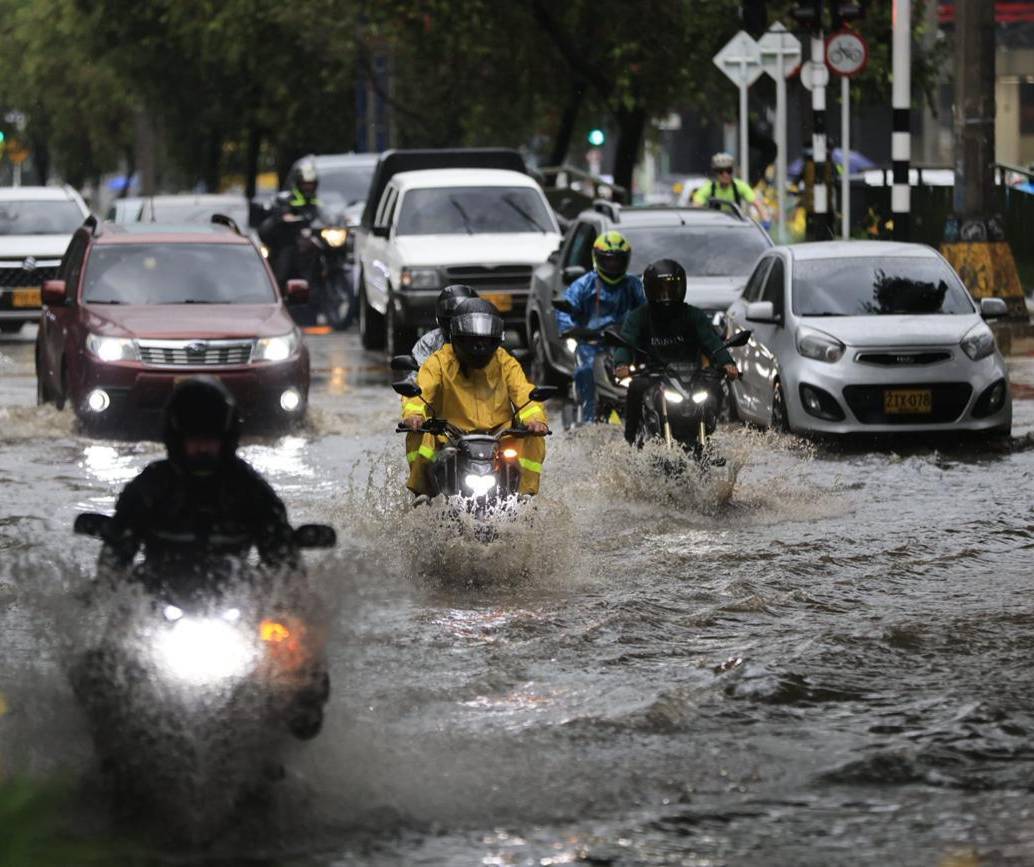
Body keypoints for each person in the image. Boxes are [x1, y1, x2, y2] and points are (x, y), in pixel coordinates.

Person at [98, 377, 299, 590]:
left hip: (235, 596)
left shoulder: (249, 488)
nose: (203, 449)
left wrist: (282, 589)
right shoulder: (149, 487)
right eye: (194, 441)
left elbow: (281, 556)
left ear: (226, 439)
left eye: (210, 440)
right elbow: (114, 560)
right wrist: (113, 590)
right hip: (156, 597)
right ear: (177, 440)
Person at [402, 299, 548, 497]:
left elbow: (523, 392)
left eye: (485, 341)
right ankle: (422, 493)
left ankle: (526, 496)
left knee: (535, 439)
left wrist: (535, 420)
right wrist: (414, 415)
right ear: (459, 339)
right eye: (472, 341)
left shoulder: (505, 361)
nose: (479, 347)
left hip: (500, 438)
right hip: (451, 438)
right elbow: (421, 390)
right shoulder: (439, 361)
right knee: (421, 438)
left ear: (495, 340)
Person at [614, 259, 740, 446]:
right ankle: (630, 438)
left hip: (692, 377)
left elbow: (712, 341)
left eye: (671, 288)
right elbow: (626, 342)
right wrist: (622, 364)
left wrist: (726, 363)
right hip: (656, 376)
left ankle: (710, 429)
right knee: (635, 387)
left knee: (715, 387)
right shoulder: (639, 316)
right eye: (660, 289)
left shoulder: (694, 315)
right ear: (649, 289)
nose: (666, 295)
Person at [555, 231, 645, 423]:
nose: (613, 265)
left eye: (618, 260)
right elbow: (565, 308)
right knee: (585, 371)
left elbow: (646, 311)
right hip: (591, 344)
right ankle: (588, 419)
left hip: (624, 344)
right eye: (608, 260)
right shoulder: (584, 284)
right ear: (597, 258)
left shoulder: (633, 285)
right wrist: (571, 328)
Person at [258, 159, 323, 290]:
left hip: (311, 239)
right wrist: (287, 216)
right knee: (285, 261)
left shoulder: (319, 201)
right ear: (298, 184)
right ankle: (279, 288)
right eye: (305, 184)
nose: (308, 188)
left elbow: (326, 216)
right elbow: (282, 215)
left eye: (311, 185)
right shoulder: (286, 199)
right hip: (289, 242)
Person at [409, 284, 478, 371]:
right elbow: (418, 377)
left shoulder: (489, 339)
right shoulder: (429, 342)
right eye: (452, 316)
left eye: (464, 317)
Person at [692, 152, 758, 210]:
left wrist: (765, 221)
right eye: (721, 171)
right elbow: (696, 205)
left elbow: (758, 204)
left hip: (735, 222)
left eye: (729, 170)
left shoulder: (740, 186)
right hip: (714, 222)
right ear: (716, 173)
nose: (725, 175)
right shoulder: (709, 187)